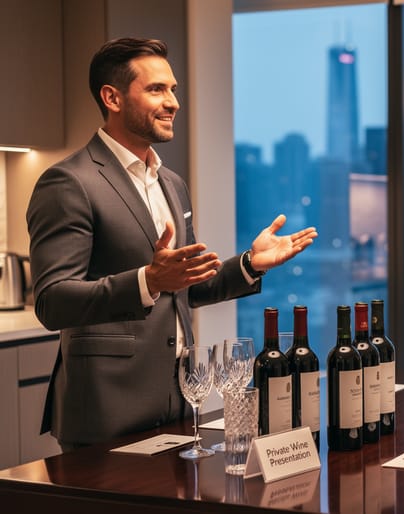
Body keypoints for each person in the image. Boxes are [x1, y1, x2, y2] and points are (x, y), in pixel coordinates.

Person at [26, 37, 319, 450]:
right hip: (106, 411)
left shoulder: (172, 183)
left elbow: (186, 285)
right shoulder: (69, 182)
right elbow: (52, 302)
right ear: (112, 97)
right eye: (156, 89)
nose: (173, 103)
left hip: (180, 405)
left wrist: (250, 265)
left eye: (173, 90)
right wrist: (147, 281)